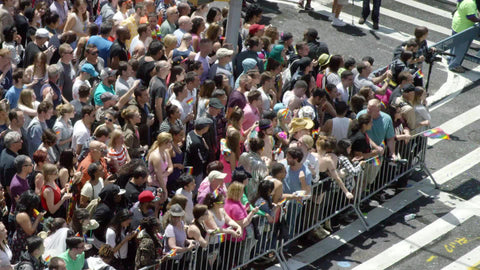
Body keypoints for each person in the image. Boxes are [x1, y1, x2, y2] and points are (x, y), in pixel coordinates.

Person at [11, 191, 44, 264]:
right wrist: (38, 219)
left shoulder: (27, 211)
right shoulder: (22, 215)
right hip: (22, 244)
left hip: (27, 242)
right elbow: (30, 231)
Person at [449, 0, 480, 72]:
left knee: (455, 45)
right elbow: (471, 17)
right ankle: (454, 66)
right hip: (463, 28)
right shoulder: (470, 3)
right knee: (460, 49)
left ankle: (450, 59)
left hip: (458, 25)